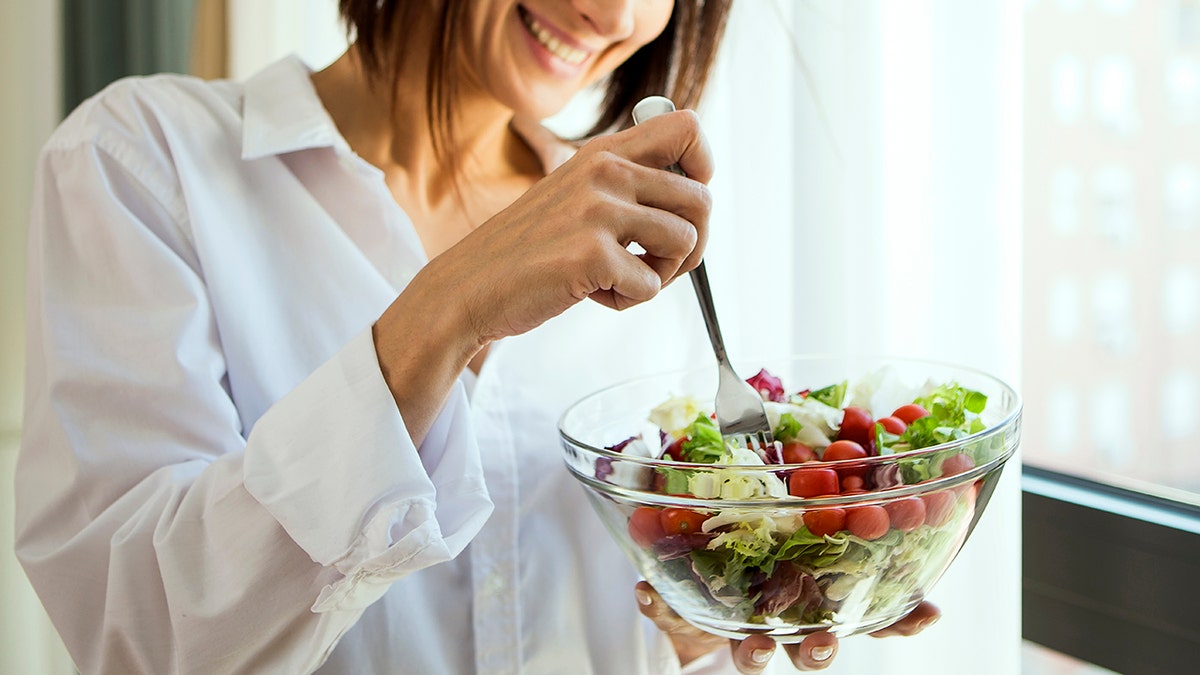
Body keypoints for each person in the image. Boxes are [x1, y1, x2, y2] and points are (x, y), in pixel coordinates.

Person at [15, 1, 938, 673]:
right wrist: (449, 306)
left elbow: (599, 617)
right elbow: (137, 636)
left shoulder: (633, 237)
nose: (611, 11)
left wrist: (704, 616)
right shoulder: (143, 160)